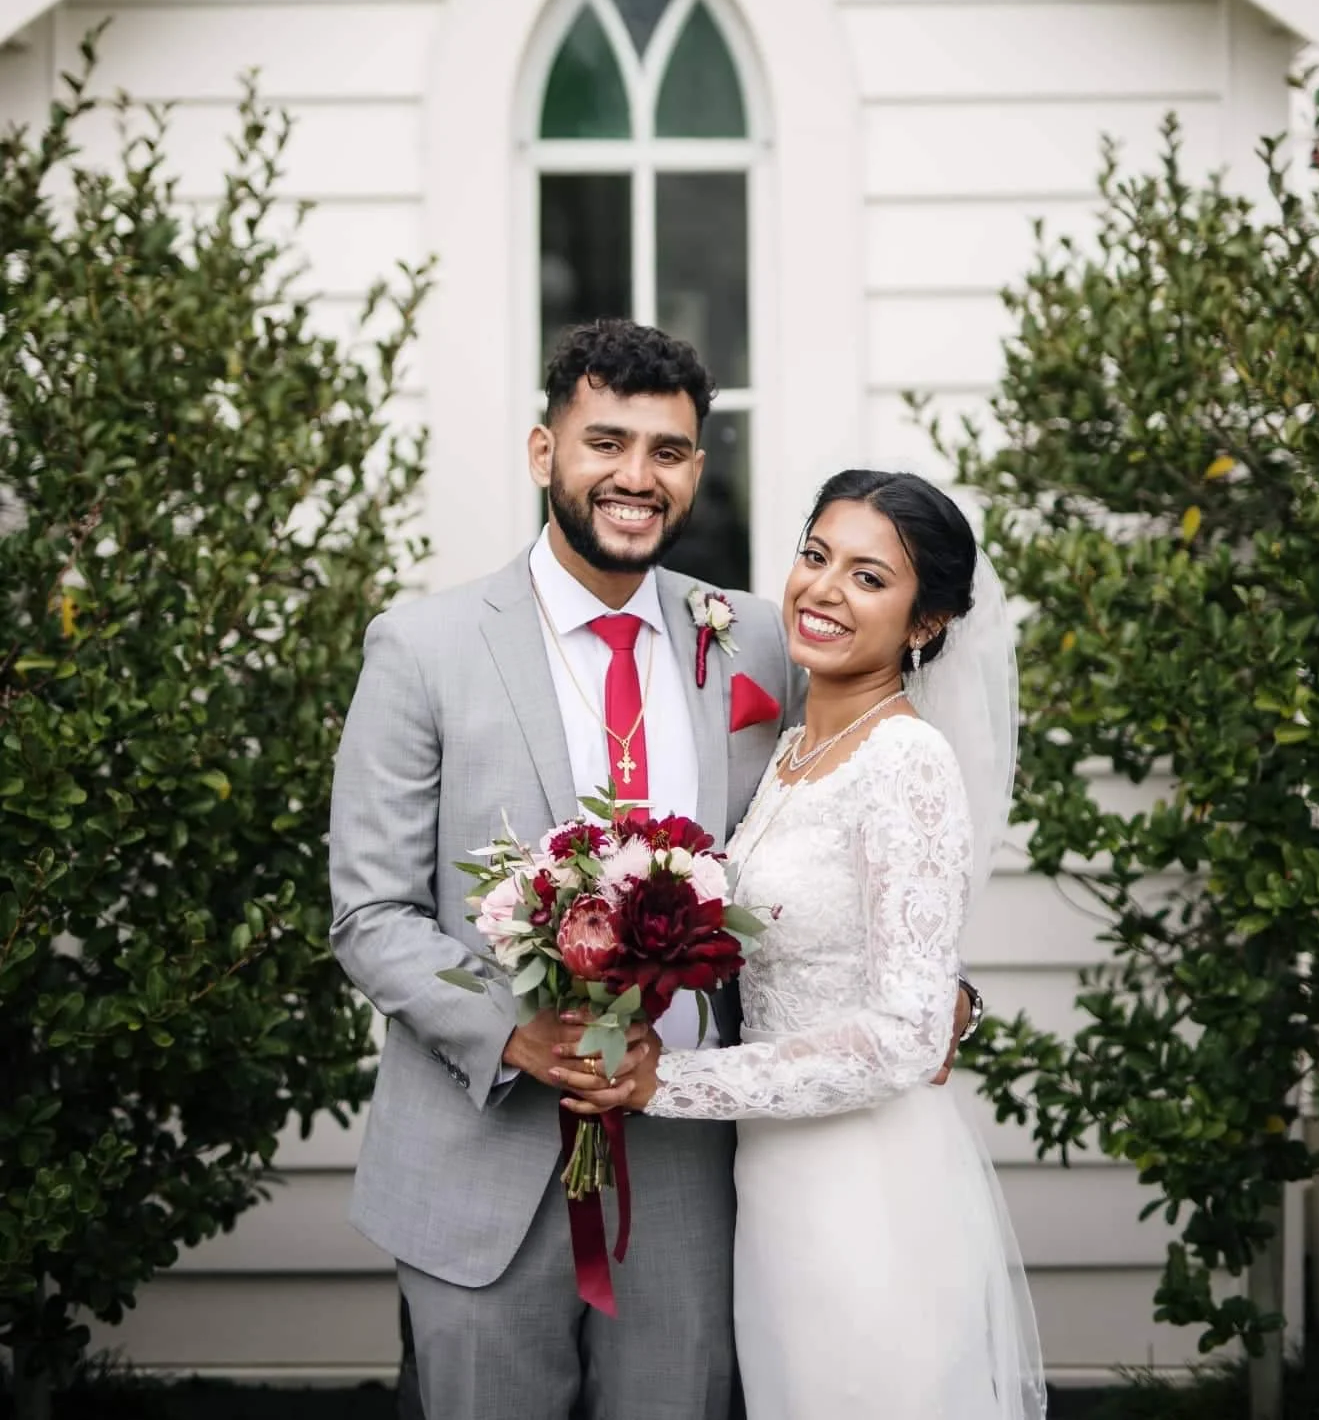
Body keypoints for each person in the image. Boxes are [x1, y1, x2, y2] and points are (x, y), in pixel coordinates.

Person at [329, 322, 976, 1420]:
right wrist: (513, 1035)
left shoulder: (764, 638)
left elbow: (857, 830)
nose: (636, 476)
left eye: (667, 451)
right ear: (544, 452)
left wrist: (938, 993)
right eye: (606, 442)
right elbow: (370, 912)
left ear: (694, 470)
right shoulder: (422, 647)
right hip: (480, 1156)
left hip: (691, 1170)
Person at [555, 468, 1046, 1419]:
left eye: (869, 577)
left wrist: (669, 1083)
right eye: (815, 555)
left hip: (865, 1181)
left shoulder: (906, 760)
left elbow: (906, 1035)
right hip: (775, 1178)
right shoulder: (792, 750)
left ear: (925, 622)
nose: (823, 588)